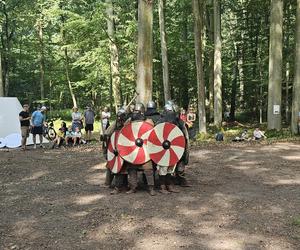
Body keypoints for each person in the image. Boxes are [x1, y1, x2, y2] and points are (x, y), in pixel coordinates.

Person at [125, 103, 156, 196]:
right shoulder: (130, 121)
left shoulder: (148, 121)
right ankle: (133, 187)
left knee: (148, 169)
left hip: (145, 150)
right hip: (133, 149)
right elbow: (125, 130)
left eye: (137, 111)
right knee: (131, 169)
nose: (135, 113)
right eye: (134, 111)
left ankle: (151, 188)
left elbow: (152, 132)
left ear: (142, 112)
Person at [158, 101, 190, 188]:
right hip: (164, 147)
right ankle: (167, 183)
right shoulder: (161, 121)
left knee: (178, 163)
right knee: (165, 166)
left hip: (177, 146)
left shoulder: (179, 122)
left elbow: (184, 136)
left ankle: (179, 179)